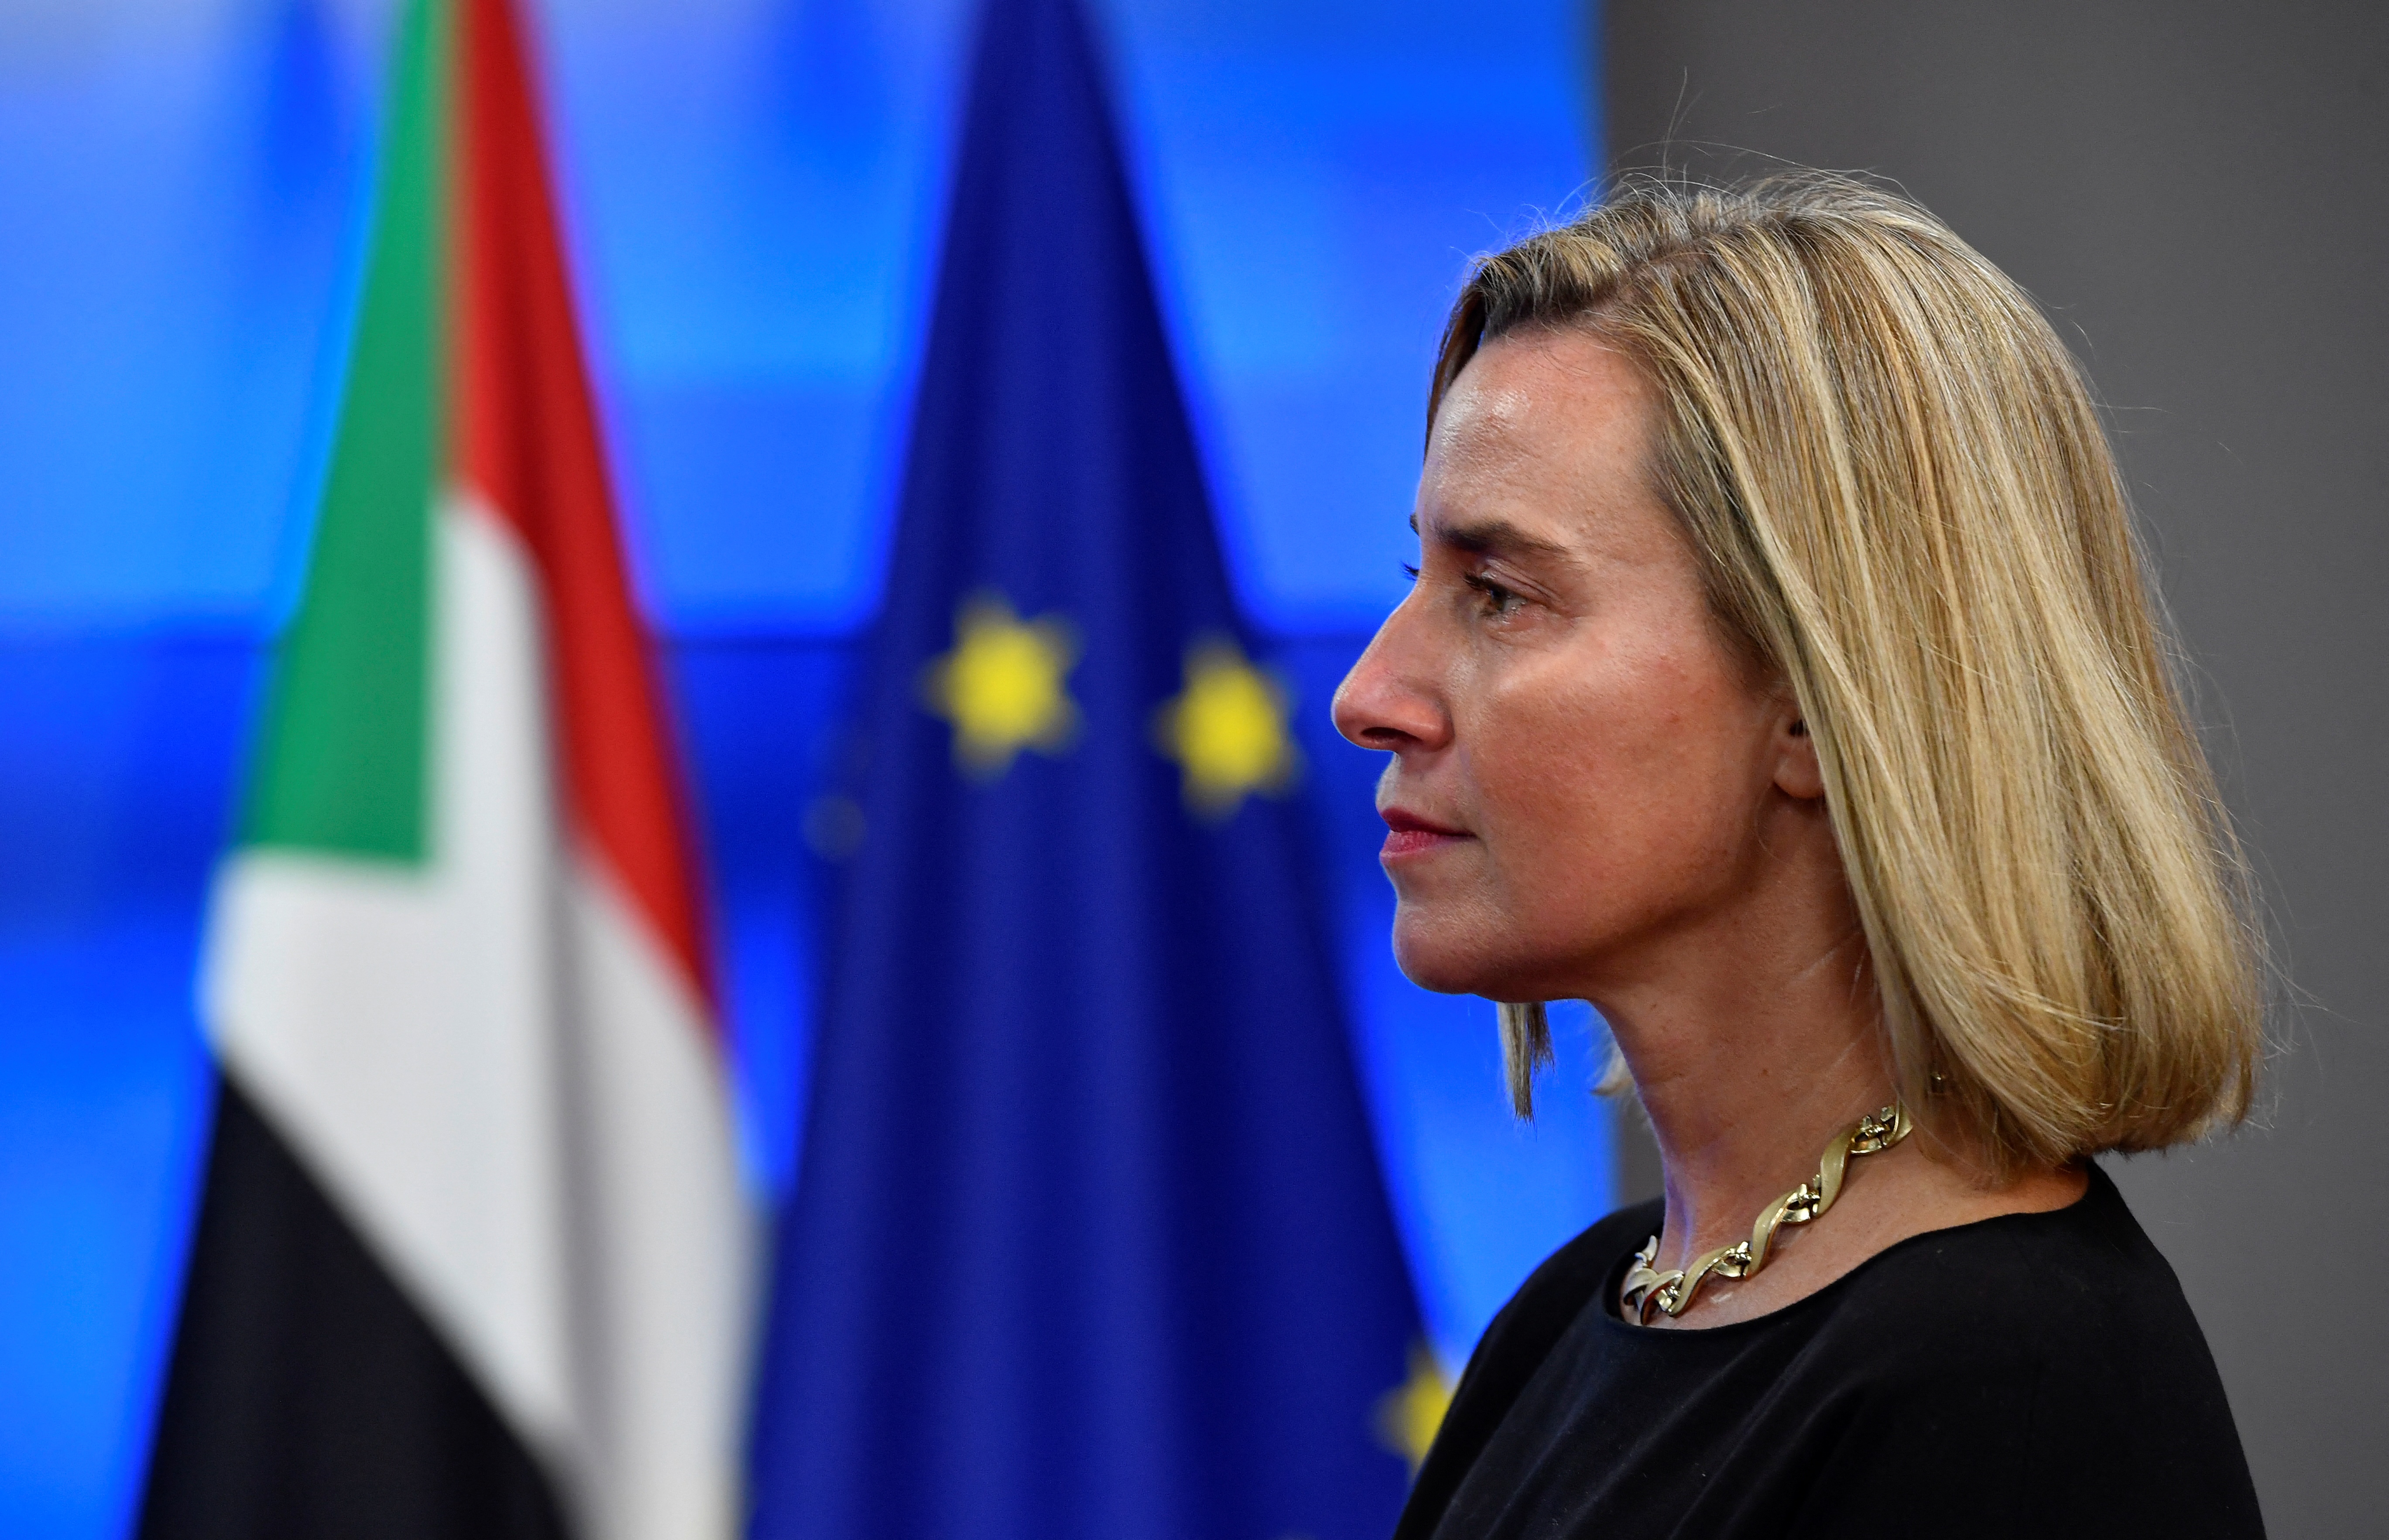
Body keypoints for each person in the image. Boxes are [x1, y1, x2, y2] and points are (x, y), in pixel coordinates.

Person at [1331, 175, 2268, 1537]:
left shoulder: (2010, 1391)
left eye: (1498, 595)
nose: (1370, 690)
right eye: (1415, 577)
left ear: (1821, 699)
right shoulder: (1574, 1311)